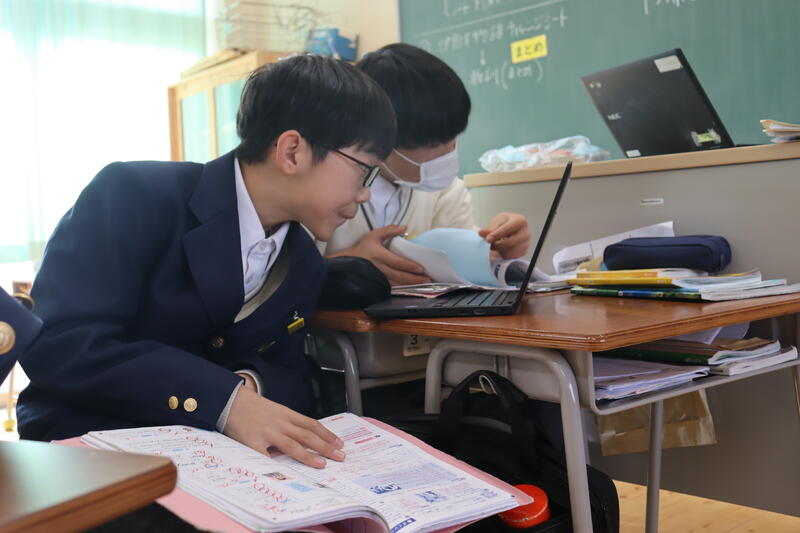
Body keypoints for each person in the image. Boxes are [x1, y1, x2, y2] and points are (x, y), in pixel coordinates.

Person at [16, 54, 397, 469]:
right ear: (292, 152)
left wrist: (247, 388)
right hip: (91, 444)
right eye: (365, 171)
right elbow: (60, 343)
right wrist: (225, 399)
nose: (365, 194)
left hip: (216, 459)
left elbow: (290, 375)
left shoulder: (303, 260)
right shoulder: (135, 194)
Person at [319, 43, 532, 283]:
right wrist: (346, 266)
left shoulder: (444, 191)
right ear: (381, 143)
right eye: (433, 143)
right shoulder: (324, 192)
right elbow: (286, 276)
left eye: (453, 135)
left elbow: (463, 261)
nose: (450, 150)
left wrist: (499, 246)